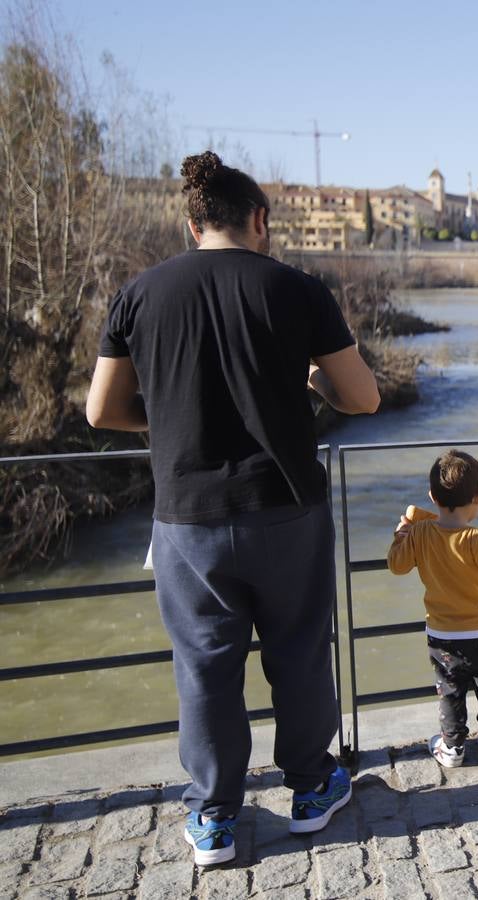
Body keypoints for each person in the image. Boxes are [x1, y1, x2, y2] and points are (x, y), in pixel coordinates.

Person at [86, 150, 380, 866]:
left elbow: (102, 411)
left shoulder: (139, 294)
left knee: (206, 667)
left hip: (187, 519)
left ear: (193, 224)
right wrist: (312, 381)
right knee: (299, 654)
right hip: (285, 508)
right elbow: (364, 397)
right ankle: (312, 791)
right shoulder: (297, 290)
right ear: (260, 221)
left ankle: (214, 818)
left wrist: (170, 421)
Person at [387, 448, 478, 767]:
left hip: (442, 631)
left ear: (431, 496)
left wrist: (401, 535)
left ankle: (453, 747)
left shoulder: (421, 533)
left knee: (450, 690)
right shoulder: (476, 538)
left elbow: (397, 566)